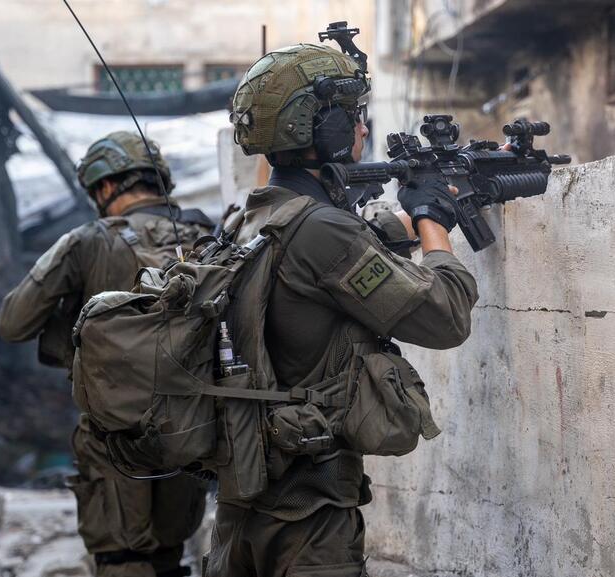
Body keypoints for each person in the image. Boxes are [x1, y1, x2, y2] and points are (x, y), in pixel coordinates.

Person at [203, 43, 479, 577]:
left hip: (242, 512)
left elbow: (331, 264)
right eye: (352, 116)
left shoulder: (249, 220)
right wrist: (433, 223)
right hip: (307, 519)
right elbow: (445, 316)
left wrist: (413, 214)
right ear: (323, 129)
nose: (361, 127)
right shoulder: (321, 230)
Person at [0, 132, 212, 577]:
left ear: (106, 186)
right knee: (170, 558)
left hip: (112, 439)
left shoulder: (87, 240)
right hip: (190, 430)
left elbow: (13, 322)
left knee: (121, 561)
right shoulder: (209, 239)